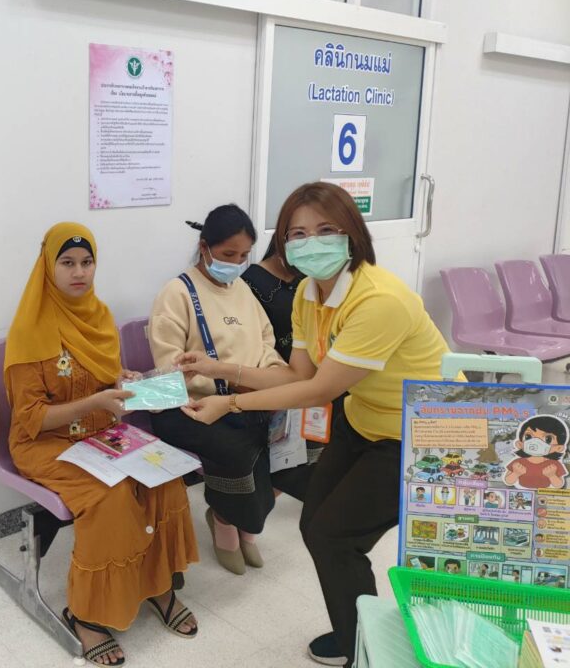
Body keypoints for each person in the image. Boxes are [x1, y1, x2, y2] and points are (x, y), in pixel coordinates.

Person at [177, 182, 454, 667]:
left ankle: (362, 649)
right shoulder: (309, 292)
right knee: (317, 524)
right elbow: (297, 374)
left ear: (352, 233)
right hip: (365, 420)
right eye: (298, 233)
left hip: (424, 435)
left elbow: (317, 391)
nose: (311, 242)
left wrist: (230, 403)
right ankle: (357, 634)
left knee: (334, 536)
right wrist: (217, 369)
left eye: (326, 230)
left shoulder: (379, 300)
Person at [5, 222, 199, 667]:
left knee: (164, 479)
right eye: (67, 263)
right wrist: (94, 401)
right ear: (48, 267)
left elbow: (102, 377)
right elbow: (31, 418)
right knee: (109, 499)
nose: (79, 273)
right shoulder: (30, 330)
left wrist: (121, 381)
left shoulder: (97, 315)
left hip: (96, 429)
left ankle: (158, 587)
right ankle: (87, 616)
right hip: (45, 443)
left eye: (87, 262)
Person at [148, 205, 288, 575]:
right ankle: (226, 519)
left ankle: (249, 522)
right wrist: (229, 387)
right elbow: (171, 370)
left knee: (299, 442)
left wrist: (272, 377)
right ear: (204, 247)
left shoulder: (241, 290)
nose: (237, 264)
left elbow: (266, 343)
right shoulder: (177, 293)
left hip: (244, 397)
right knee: (240, 446)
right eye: (228, 254)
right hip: (190, 406)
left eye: (244, 256)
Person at [241, 235, 347, 498]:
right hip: (283, 374)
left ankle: (315, 484)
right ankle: (258, 504)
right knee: (286, 458)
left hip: (321, 370)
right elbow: (257, 340)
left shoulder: (308, 278)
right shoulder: (251, 282)